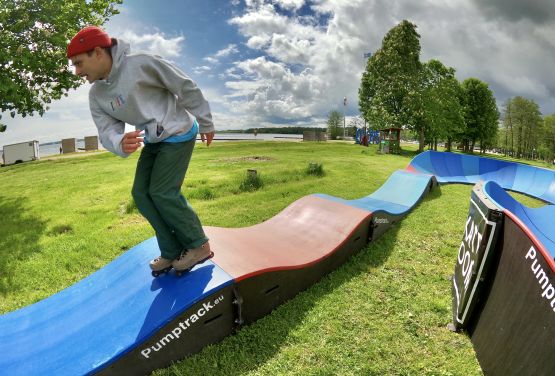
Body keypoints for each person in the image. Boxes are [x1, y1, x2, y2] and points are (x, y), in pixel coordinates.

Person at [66, 26, 215, 277]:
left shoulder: (142, 64)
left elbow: (183, 85)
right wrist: (118, 141)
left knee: (163, 192)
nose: (77, 72)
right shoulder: (97, 95)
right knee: (141, 194)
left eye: (79, 63)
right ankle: (171, 250)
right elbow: (106, 130)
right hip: (155, 139)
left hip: (178, 131)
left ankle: (198, 245)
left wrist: (206, 120)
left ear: (98, 52)